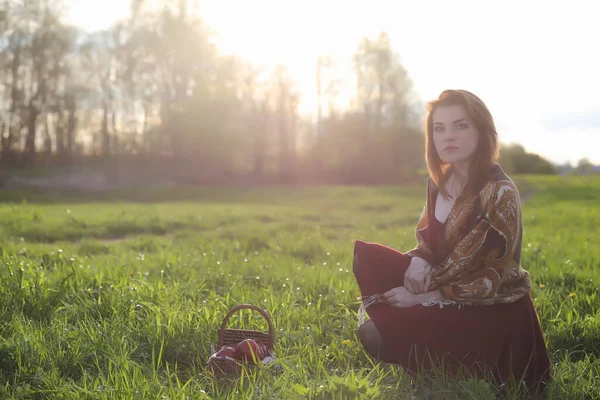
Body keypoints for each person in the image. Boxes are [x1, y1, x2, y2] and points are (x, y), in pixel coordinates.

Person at [353, 89, 552, 397]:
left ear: (481, 131)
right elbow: (427, 242)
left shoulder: (499, 192)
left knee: (373, 332)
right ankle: (433, 364)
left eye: (461, 126)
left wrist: (420, 298)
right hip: (446, 285)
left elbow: (486, 279)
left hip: (490, 311)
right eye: (439, 128)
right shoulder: (438, 183)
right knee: (371, 260)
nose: (448, 136)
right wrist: (418, 261)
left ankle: (450, 371)